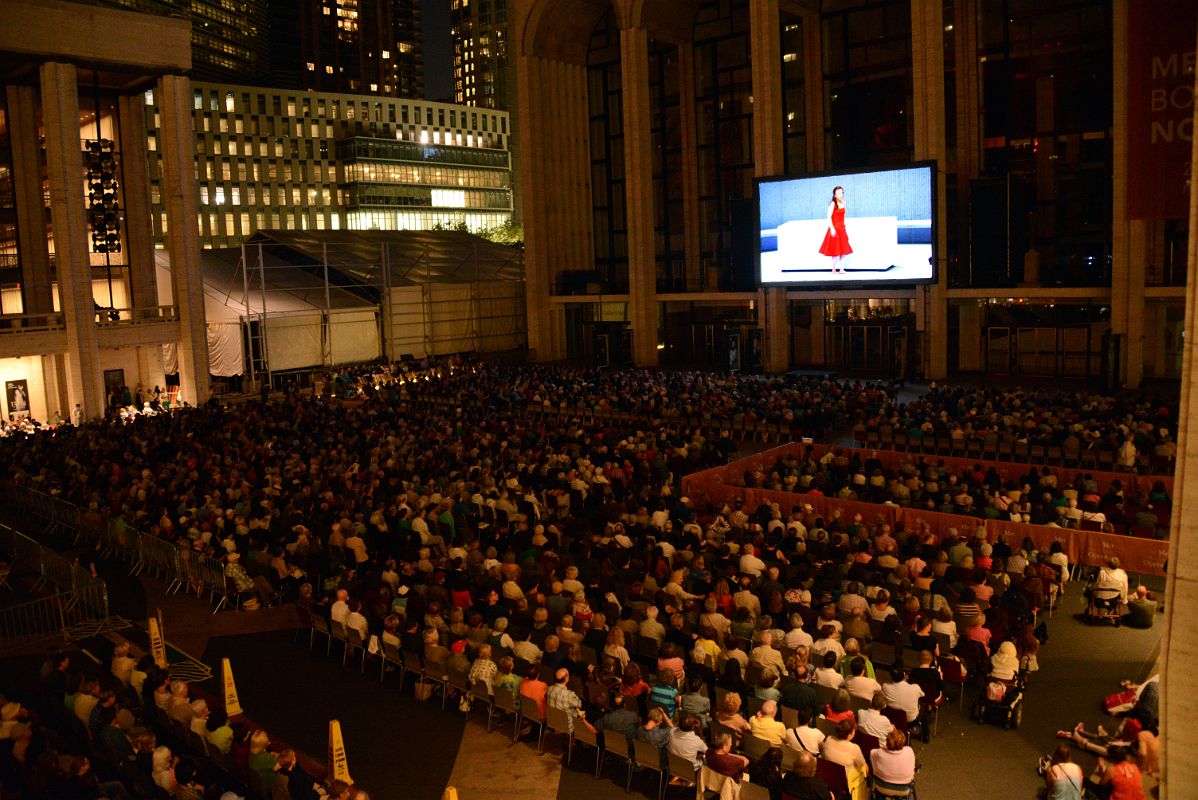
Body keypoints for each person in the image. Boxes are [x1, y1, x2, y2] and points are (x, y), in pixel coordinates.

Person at [819, 186, 853, 274]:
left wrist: (844, 225)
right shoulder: (833, 204)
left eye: (842, 192)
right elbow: (828, 217)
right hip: (834, 228)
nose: (841, 194)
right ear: (834, 195)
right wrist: (832, 228)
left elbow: (843, 216)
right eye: (838, 193)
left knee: (844, 249)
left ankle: (841, 269)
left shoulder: (844, 203)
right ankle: (833, 269)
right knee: (835, 250)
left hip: (842, 228)